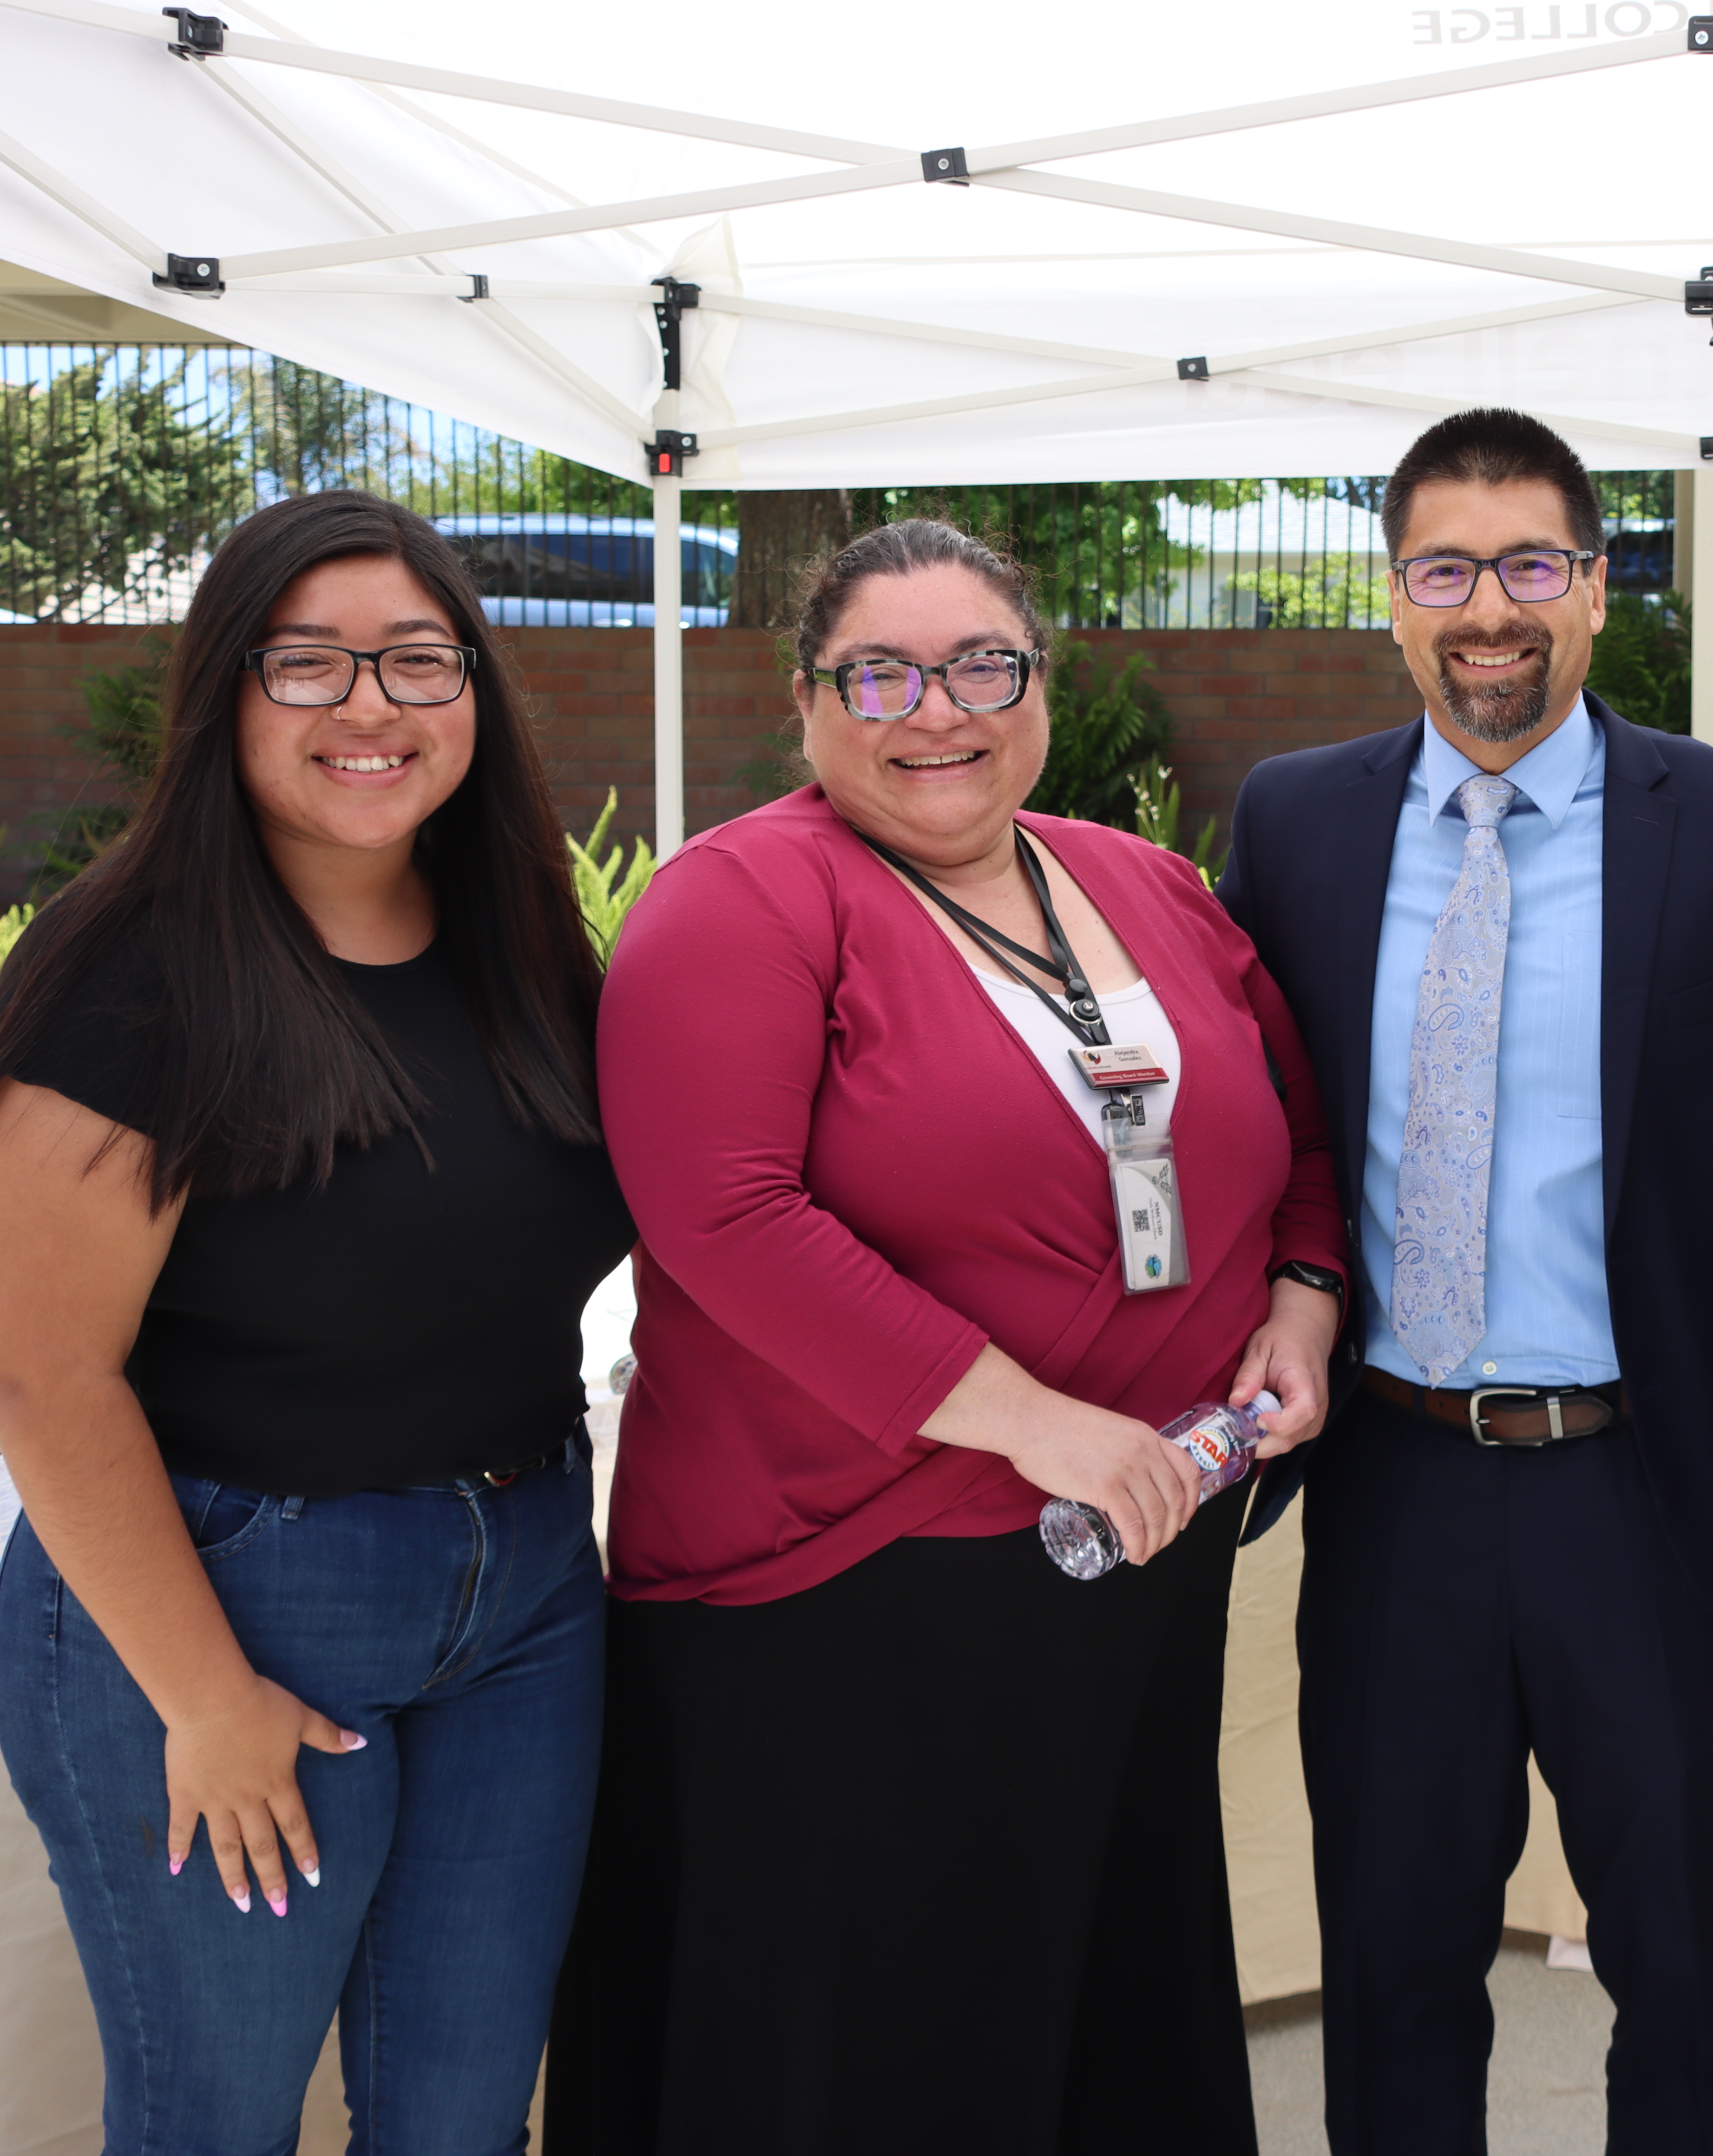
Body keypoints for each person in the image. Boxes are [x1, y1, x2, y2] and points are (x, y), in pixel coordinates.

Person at [549, 518, 1345, 2154]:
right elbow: (726, 1222)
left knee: (1093, 1985)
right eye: (884, 673)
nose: (939, 710)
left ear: (1039, 684)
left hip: (1128, 1551)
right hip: (846, 1573)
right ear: (807, 699)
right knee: (882, 2036)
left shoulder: (1146, 885)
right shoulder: (743, 900)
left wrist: (1305, 1298)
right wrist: (1030, 1420)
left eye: (984, 664)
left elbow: (1301, 1129)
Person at [0, 490, 635, 2154]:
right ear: (224, 694)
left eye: (418, 660)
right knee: (217, 2118)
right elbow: (45, 1376)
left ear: (476, 689)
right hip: (224, 1604)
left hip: (529, 1596)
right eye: (307, 664)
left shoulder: (525, 943)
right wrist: (204, 1696)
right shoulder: (129, 970)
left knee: (465, 2113)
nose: (370, 708)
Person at [1220, 408, 1713, 2154]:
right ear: (1393, 600)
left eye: (1530, 566)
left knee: (1691, 1977)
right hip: (1398, 1482)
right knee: (1398, 1970)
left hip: (1656, 1491)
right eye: (1444, 570)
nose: (1487, 609)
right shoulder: (1297, 825)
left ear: (1597, 587)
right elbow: (1255, 1128)